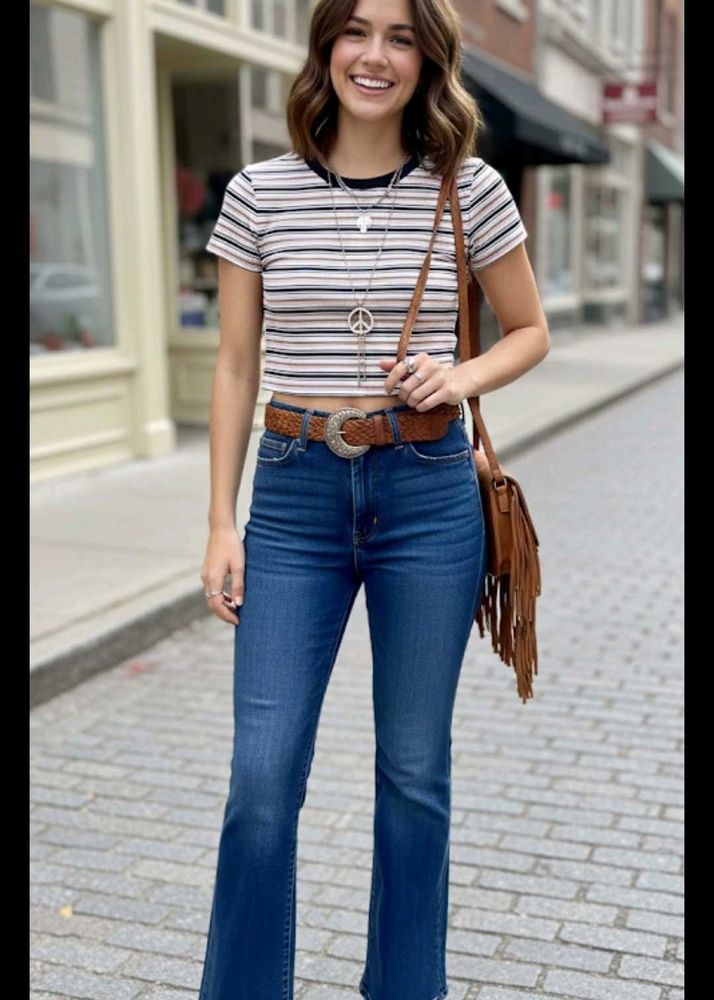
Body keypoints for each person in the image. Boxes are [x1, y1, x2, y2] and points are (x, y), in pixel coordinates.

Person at [197, 1, 550, 997]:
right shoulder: (257, 194)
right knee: (262, 778)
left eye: (401, 37)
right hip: (297, 491)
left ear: (428, 60)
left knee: (412, 773)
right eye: (356, 31)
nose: (375, 55)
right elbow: (232, 365)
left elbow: (529, 330)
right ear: (324, 49)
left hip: (426, 492)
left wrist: (460, 377)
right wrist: (223, 520)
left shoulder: (467, 189)